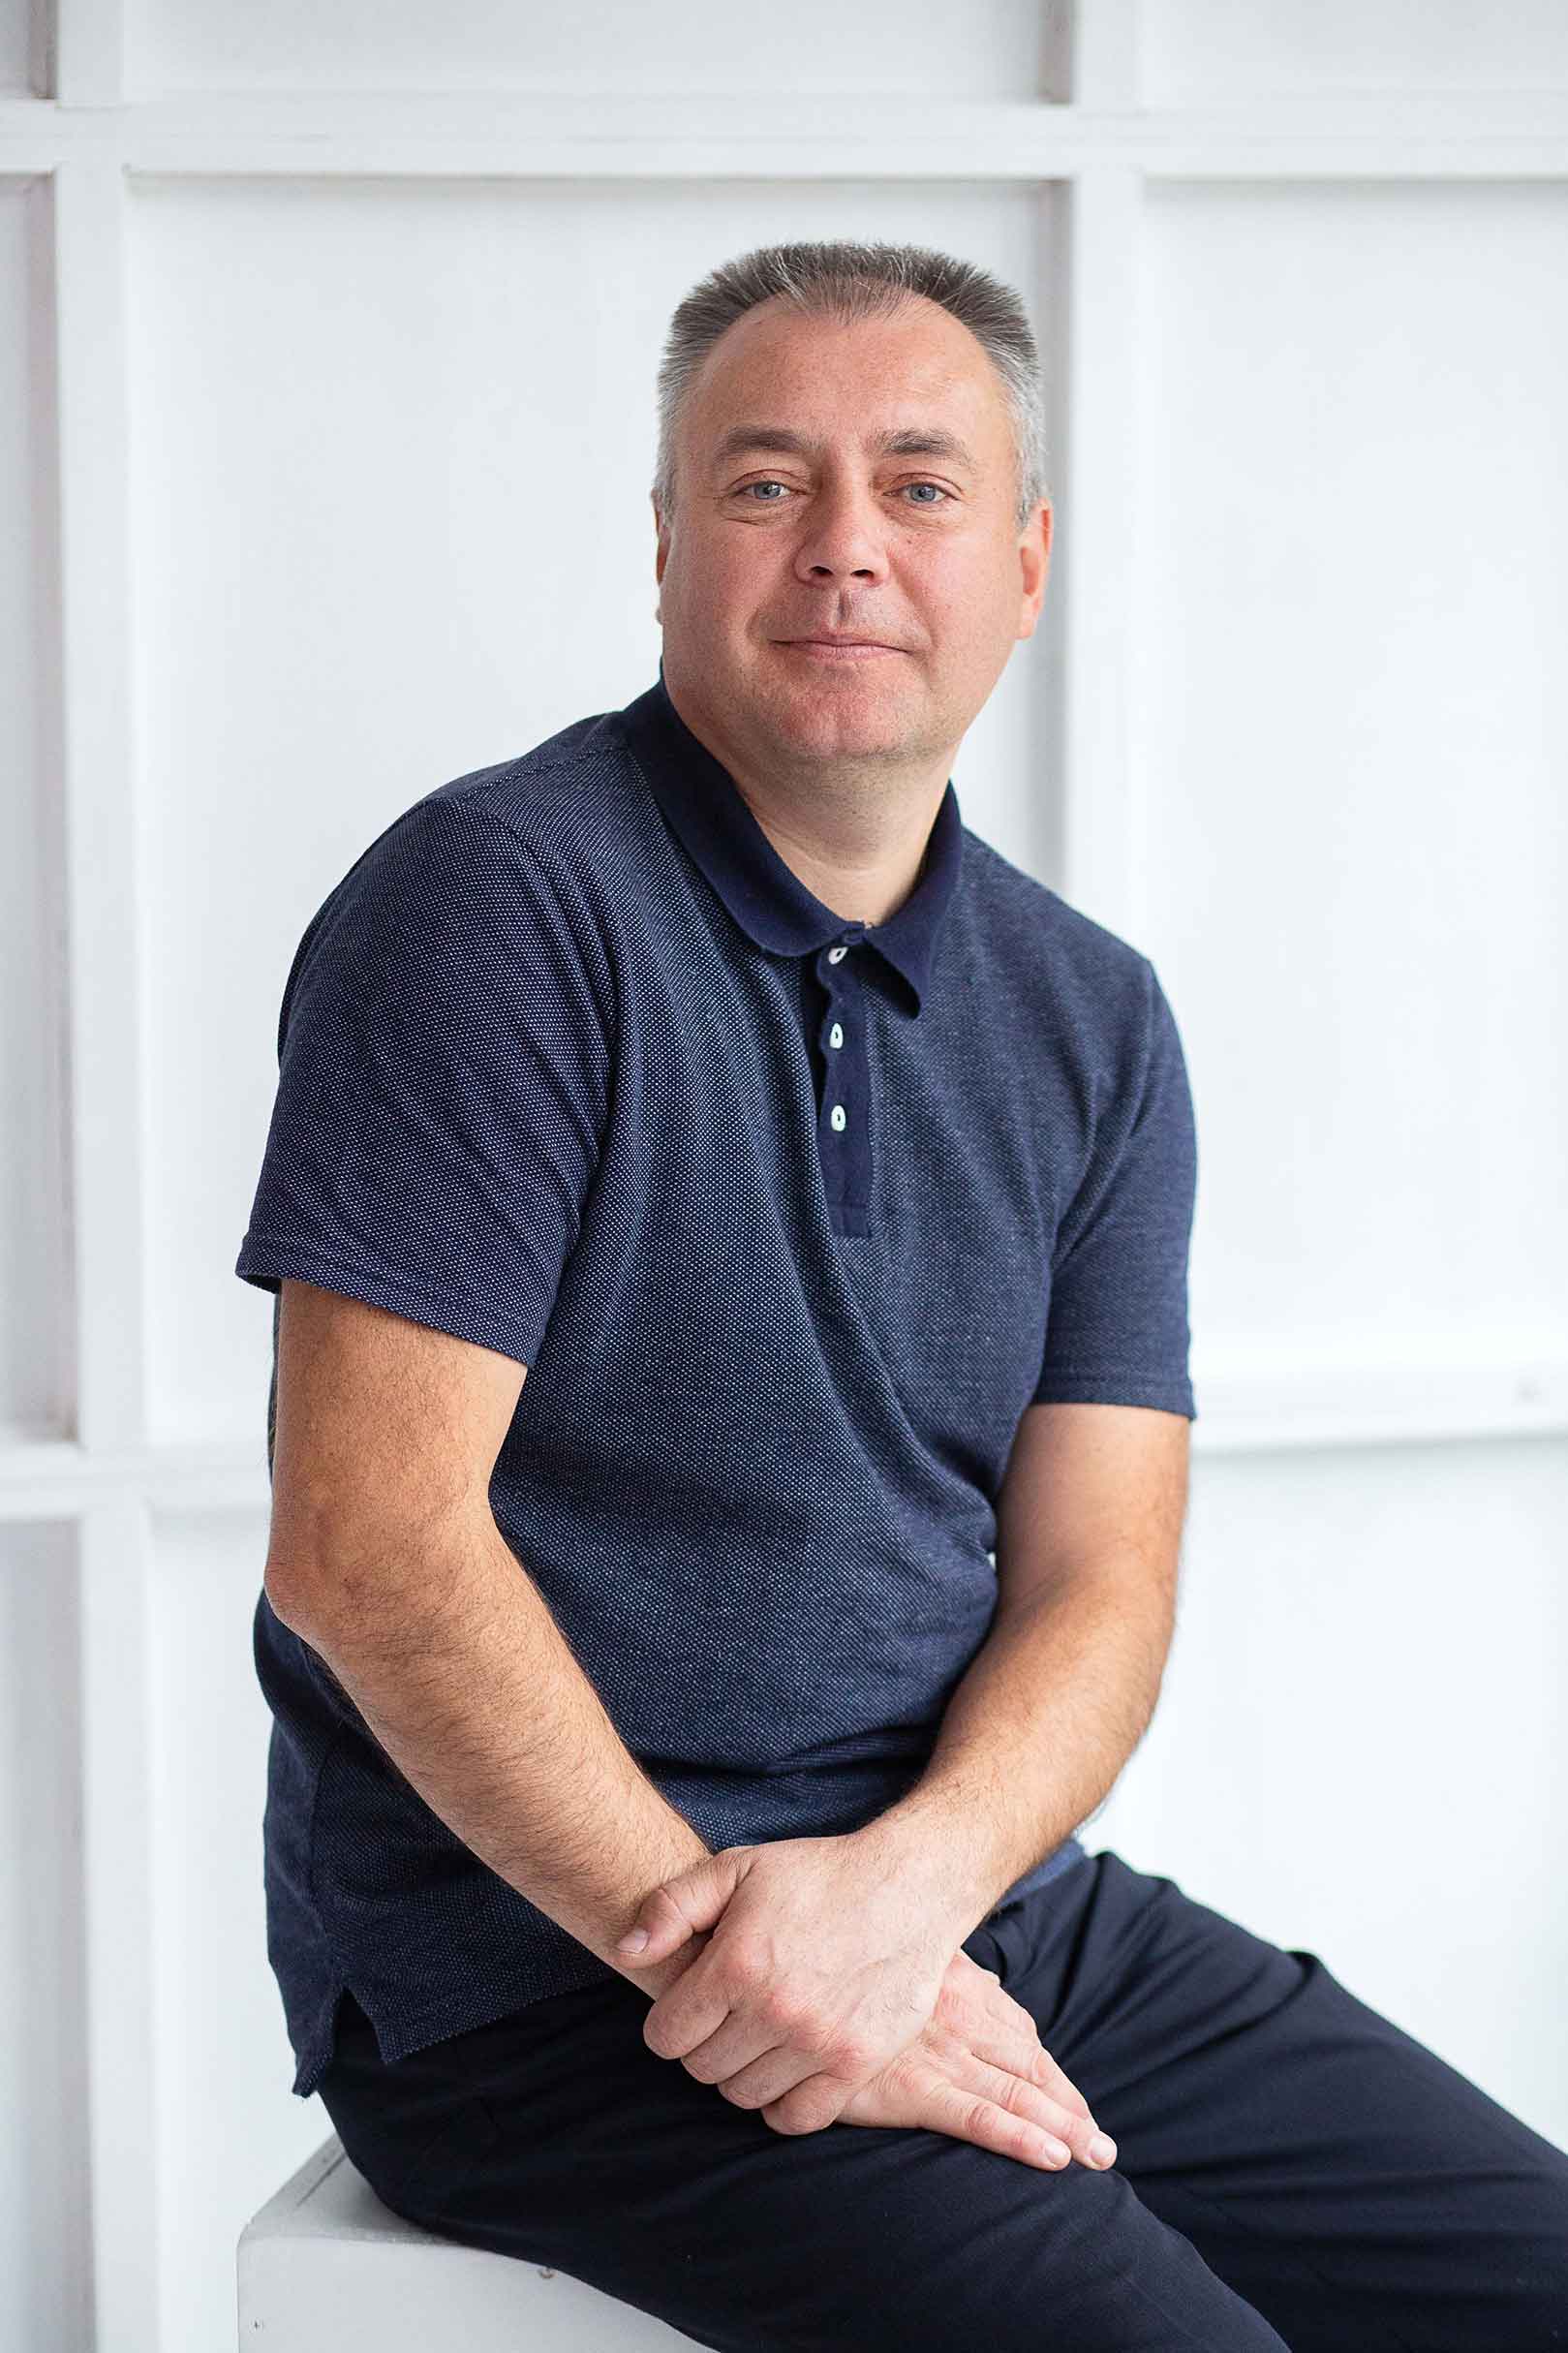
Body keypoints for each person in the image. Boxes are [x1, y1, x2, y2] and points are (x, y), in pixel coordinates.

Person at [236, 238, 1567, 2350]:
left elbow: (1102, 1580)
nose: (845, 544)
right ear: (665, 547)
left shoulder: (1092, 1016)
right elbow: (368, 1544)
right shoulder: (495, 904)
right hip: (552, 1978)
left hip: (971, 1901)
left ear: (1023, 565)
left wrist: (910, 1895)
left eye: (921, 486)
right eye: (767, 484)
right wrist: (764, 1960)